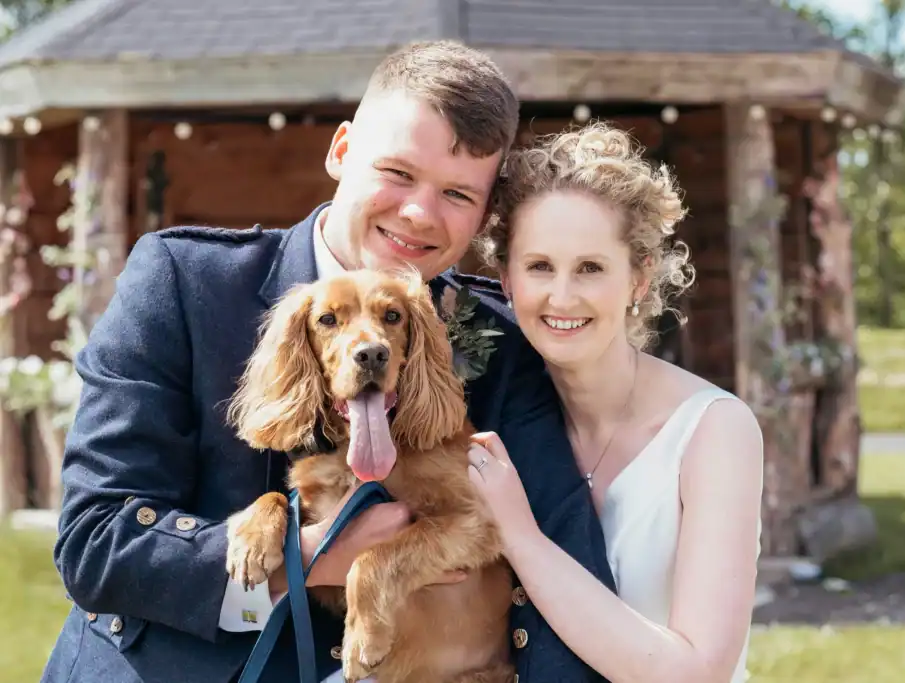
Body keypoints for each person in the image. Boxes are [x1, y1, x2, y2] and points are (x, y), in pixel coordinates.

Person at [42, 41, 615, 683]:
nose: (419, 213)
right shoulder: (184, 281)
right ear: (341, 152)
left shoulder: (502, 344)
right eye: (397, 173)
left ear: (484, 213)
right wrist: (311, 556)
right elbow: (96, 542)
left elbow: (568, 563)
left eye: (457, 193)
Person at [466, 123, 765, 683]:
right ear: (505, 279)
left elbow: (696, 674)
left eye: (591, 268)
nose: (562, 297)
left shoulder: (714, 430)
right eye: (539, 267)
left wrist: (521, 536)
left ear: (639, 277)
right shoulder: (496, 417)